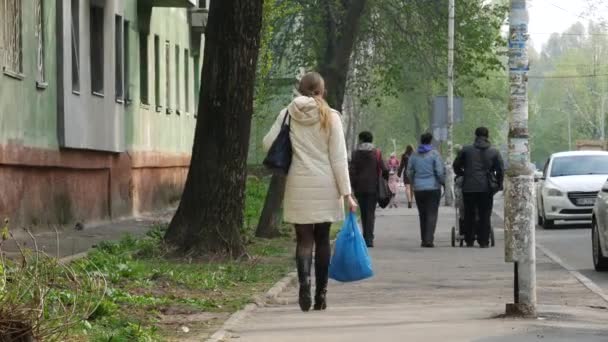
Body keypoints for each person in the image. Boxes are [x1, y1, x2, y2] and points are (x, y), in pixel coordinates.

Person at [263, 72, 357, 312]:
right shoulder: (331, 116)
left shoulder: (288, 113)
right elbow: (338, 159)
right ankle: (321, 294)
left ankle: (304, 283)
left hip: (298, 182)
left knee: (304, 239)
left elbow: (267, 143)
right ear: (322, 91)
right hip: (326, 185)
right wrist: (347, 194)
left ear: (300, 89)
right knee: (323, 239)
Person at [453, 127, 504, 248]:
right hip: (486, 188)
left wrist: (463, 174)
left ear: (475, 135)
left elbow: (456, 166)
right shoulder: (494, 152)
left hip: (468, 187)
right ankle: (484, 241)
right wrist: (498, 184)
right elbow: (500, 170)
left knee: (469, 213)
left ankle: (469, 240)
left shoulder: (466, 150)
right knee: (485, 214)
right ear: (487, 136)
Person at [350, 131, 388, 247]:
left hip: (359, 188)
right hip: (373, 187)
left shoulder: (355, 154)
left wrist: (352, 185)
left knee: (363, 212)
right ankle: (369, 238)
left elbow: (352, 171)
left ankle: (365, 236)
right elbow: (384, 169)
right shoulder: (376, 153)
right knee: (370, 212)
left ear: (361, 140)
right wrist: (383, 180)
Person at [407, 133, 445, 248]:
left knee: (422, 214)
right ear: (430, 141)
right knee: (432, 213)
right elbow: (439, 172)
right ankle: (428, 240)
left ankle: (424, 239)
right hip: (433, 188)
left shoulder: (414, 155)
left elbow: (409, 172)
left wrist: (414, 181)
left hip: (419, 189)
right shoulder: (434, 154)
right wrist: (442, 182)